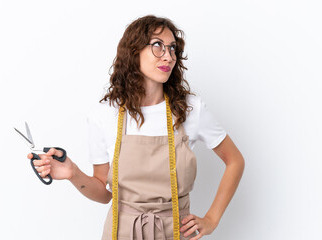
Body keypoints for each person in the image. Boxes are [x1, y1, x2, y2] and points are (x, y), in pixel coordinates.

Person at [28, 15, 245, 240]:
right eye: (157, 46)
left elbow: (235, 160)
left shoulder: (190, 109)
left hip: (176, 233)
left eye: (172, 48)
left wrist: (212, 219)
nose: (168, 56)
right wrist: (72, 173)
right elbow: (104, 194)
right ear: (134, 51)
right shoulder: (104, 116)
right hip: (121, 233)